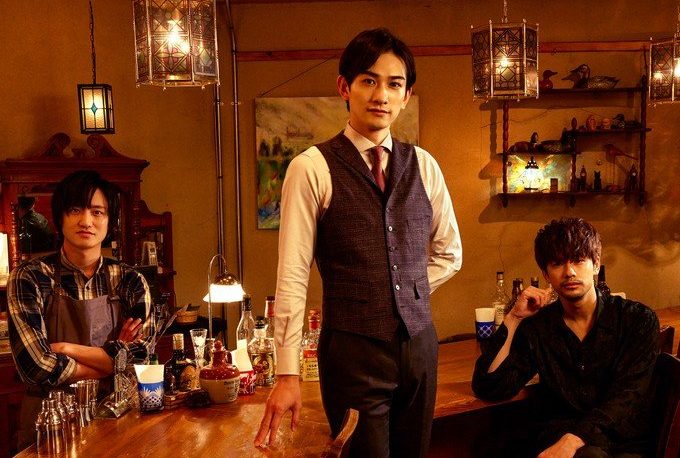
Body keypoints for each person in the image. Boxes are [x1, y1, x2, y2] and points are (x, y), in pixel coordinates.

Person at [255, 28, 462, 457]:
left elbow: (450, 253)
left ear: (406, 95)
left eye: (394, 84)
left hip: (420, 349)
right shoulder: (311, 168)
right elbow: (292, 275)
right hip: (351, 355)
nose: (381, 95)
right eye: (369, 80)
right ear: (344, 87)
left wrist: (406, 292)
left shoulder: (424, 165)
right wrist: (287, 373)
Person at [472, 218, 659, 458]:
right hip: (560, 441)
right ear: (546, 274)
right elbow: (490, 386)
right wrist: (514, 318)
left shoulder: (637, 320)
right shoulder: (540, 327)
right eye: (558, 263)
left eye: (579, 260)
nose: (569, 272)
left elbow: (628, 396)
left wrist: (574, 440)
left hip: (620, 443)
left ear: (596, 264)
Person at [8, 170, 152, 448]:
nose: (86, 221)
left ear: (109, 221)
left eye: (97, 212)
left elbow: (141, 359)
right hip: (50, 422)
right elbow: (36, 366)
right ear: (59, 217)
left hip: (117, 417)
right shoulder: (30, 277)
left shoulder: (130, 281)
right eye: (75, 210)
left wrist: (65, 348)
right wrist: (112, 364)